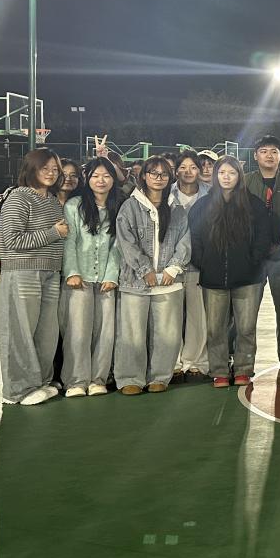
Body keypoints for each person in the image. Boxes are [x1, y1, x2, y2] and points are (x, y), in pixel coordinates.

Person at [189, 156, 271, 388]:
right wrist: (204, 263)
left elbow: (263, 238)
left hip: (248, 279)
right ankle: (220, 371)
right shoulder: (203, 206)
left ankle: (244, 369)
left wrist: (253, 262)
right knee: (215, 328)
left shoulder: (253, 204)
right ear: (215, 175)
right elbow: (194, 239)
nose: (226, 177)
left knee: (246, 327)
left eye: (232, 173)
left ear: (239, 176)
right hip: (213, 279)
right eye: (222, 172)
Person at [114, 155, 191, 394]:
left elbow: (185, 240)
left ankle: (160, 376)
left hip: (168, 282)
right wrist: (144, 269)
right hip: (135, 282)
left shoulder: (177, 208)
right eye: (153, 173)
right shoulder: (130, 207)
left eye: (164, 174)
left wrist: (173, 268)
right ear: (144, 176)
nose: (159, 178)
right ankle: (130, 378)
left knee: (167, 334)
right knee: (132, 333)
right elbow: (125, 241)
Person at [0, 148, 68, 406]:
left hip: (50, 273)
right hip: (23, 272)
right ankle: (17, 390)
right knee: (20, 332)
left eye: (55, 169)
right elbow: (12, 239)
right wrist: (53, 233)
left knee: (46, 333)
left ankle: (39, 382)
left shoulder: (52, 201)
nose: (51, 173)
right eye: (44, 168)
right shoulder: (18, 197)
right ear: (31, 169)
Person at [60, 156, 124, 397]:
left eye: (106, 176)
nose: (101, 180)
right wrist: (72, 272)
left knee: (105, 332)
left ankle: (98, 379)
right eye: (96, 176)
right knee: (77, 332)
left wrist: (112, 275)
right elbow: (70, 241)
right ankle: (76, 381)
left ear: (113, 179)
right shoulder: (74, 205)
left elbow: (118, 245)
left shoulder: (119, 206)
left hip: (107, 280)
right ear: (87, 179)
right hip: (80, 279)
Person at [245, 134, 280, 369]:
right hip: (252, 258)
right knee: (246, 310)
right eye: (264, 151)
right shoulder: (244, 183)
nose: (269, 155)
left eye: (274, 151)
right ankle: (241, 360)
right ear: (255, 155)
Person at [169, 150, 210, 380]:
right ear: (176, 171)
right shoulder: (166, 193)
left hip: (199, 264)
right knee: (171, 316)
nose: (188, 172)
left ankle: (195, 361)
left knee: (197, 315)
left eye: (193, 167)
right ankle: (173, 362)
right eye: (183, 167)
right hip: (171, 265)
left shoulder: (209, 194)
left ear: (199, 170)